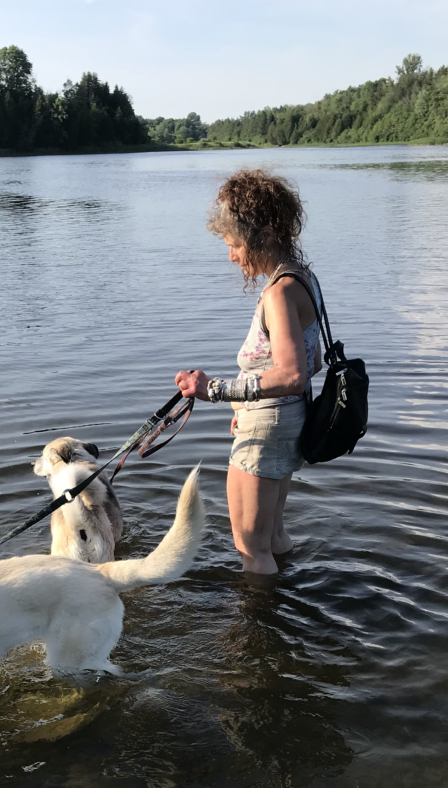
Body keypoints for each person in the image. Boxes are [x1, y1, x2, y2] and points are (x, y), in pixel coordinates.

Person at [176, 170, 322, 575]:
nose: (232, 256)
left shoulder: (278, 293)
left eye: (233, 243)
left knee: (250, 546)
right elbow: (315, 362)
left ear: (260, 235)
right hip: (288, 421)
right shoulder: (303, 279)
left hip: (269, 426)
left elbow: (293, 373)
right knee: (272, 538)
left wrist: (216, 390)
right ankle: (288, 607)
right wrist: (244, 405)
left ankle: (255, 630)